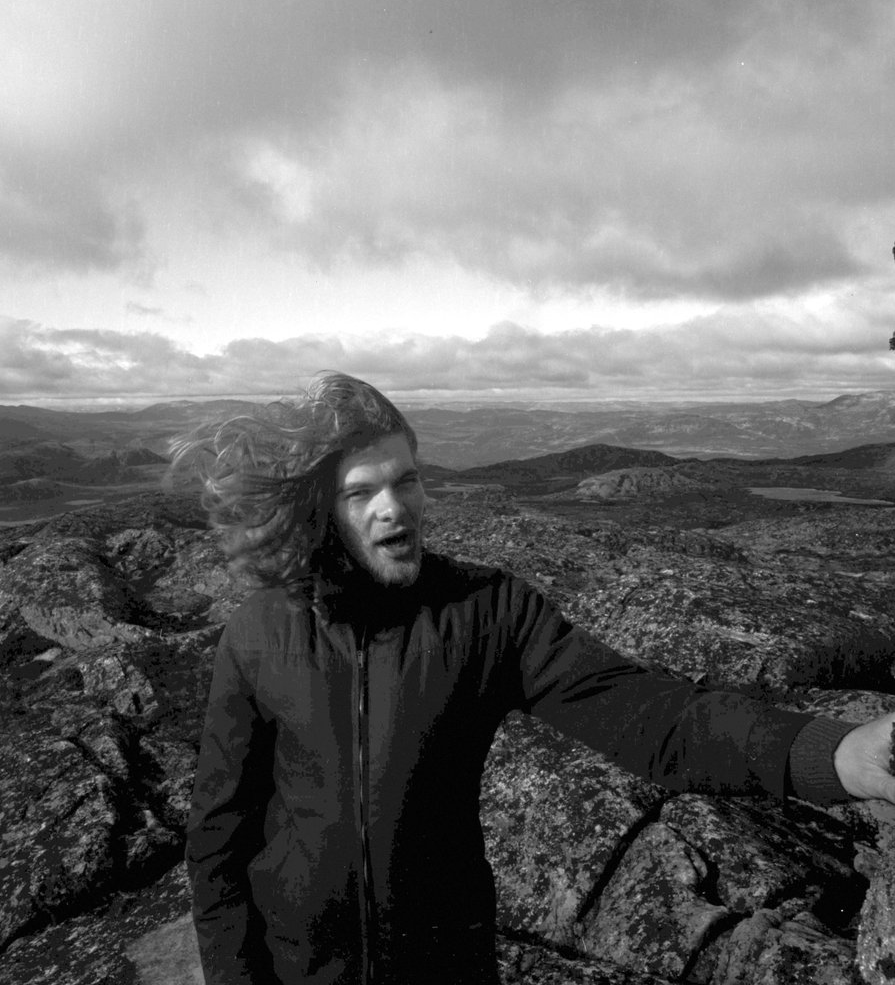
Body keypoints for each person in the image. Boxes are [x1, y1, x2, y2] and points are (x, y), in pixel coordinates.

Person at [176, 372, 895, 985]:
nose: (393, 508)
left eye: (407, 481)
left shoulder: (487, 614)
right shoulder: (259, 633)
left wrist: (839, 755)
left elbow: (652, 717)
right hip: (298, 967)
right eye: (361, 492)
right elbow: (219, 837)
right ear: (318, 513)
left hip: (444, 967)